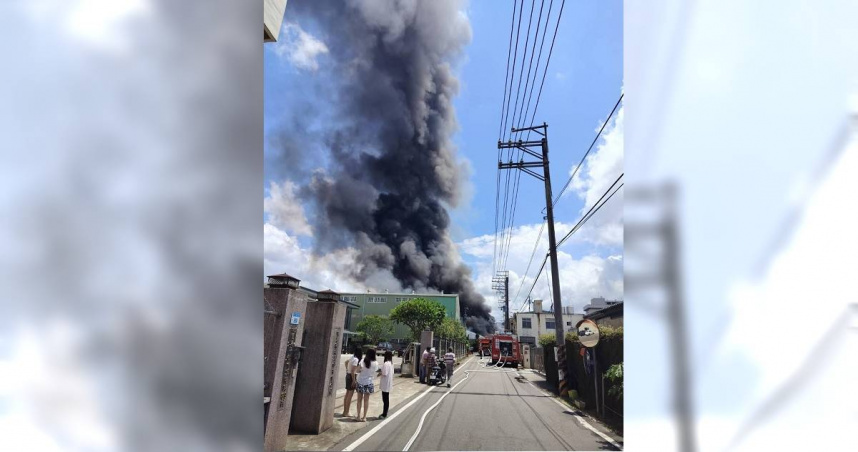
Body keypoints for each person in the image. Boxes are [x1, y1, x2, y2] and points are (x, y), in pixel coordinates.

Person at [355, 348, 378, 422]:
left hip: (361, 381)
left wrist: (362, 370)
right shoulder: (375, 363)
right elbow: (375, 371)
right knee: (366, 400)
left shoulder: (363, 361)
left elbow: (357, 370)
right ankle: (364, 417)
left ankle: (358, 416)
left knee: (359, 400)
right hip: (369, 382)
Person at [342, 348, 362, 418]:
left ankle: (345, 411)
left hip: (348, 375)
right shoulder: (356, 359)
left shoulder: (352, 357)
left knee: (347, 394)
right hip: (351, 377)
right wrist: (354, 380)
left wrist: (347, 370)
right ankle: (346, 412)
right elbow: (353, 371)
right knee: (349, 396)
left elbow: (346, 362)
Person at [379, 350, 393, 419]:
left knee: (385, 399)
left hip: (385, 383)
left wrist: (380, 373)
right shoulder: (390, 363)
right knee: (386, 398)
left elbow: (384, 373)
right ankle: (385, 412)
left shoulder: (386, 363)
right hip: (388, 383)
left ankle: (384, 413)